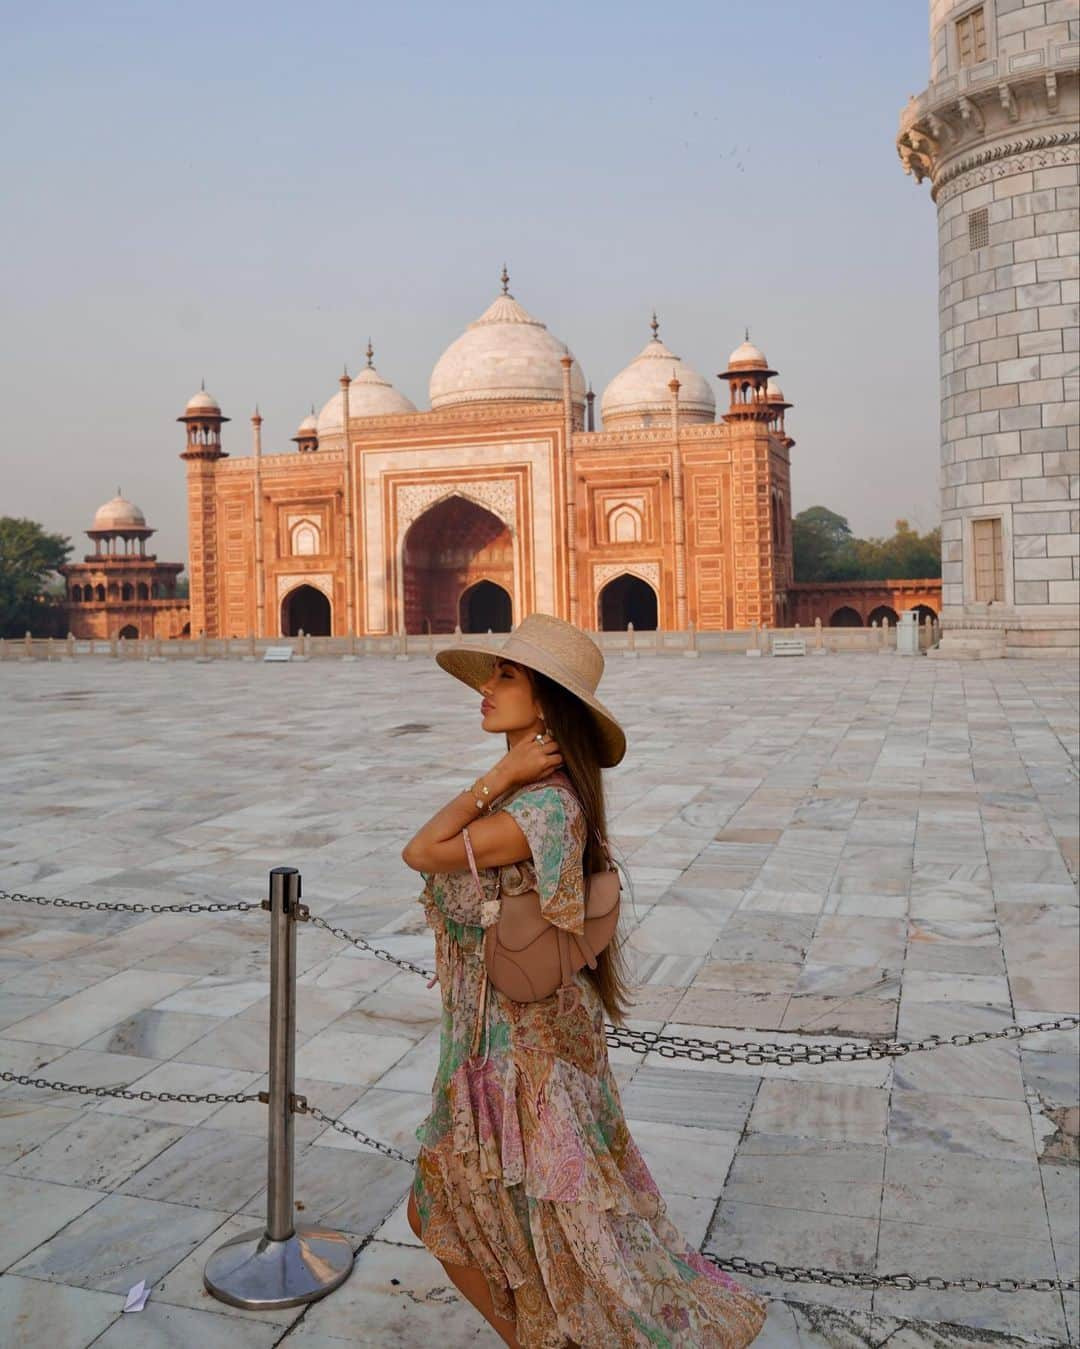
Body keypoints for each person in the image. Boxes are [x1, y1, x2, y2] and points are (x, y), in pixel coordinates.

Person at [402, 613, 765, 1348]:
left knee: (464, 1213)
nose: (487, 687)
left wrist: (497, 774)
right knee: (526, 1229)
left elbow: (422, 850)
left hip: (519, 1062)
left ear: (546, 704)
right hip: (510, 1047)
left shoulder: (536, 807)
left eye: (506, 675)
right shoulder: (544, 801)